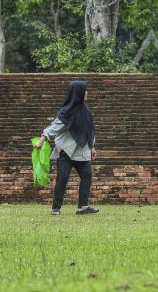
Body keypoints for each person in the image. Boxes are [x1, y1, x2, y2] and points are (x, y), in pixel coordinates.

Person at [33, 80, 98, 215]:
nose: (87, 93)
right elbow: (53, 128)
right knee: (63, 178)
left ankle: (83, 207)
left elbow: (90, 131)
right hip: (66, 152)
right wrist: (41, 141)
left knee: (87, 176)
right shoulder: (67, 112)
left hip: (82, 151)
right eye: (84, 90)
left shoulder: (86, 111)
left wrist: (92, 147)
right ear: (78, 93)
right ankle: (56, 208)